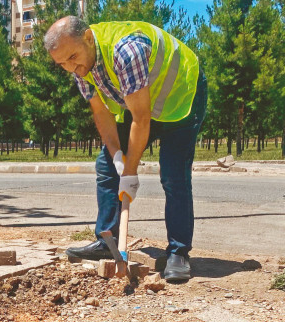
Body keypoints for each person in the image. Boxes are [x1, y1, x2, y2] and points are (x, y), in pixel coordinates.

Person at [44, 16, 207, 281]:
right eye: (62, 64)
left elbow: (141, 119)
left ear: (87, 37)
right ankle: (108, 243)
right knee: (106, 166)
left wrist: (130, 173)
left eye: (72, 57)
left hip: (180, 98)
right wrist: (118, 156)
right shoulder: (80, 67)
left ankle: (179, 253)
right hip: (141, 101)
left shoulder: (125, 51)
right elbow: (102, 114)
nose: (71, 67)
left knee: (173, 174)